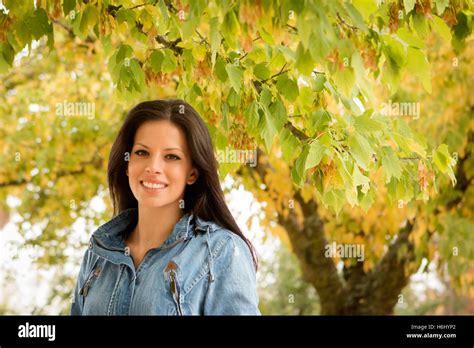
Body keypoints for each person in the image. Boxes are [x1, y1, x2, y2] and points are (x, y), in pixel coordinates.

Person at [70, 99, 260, 315]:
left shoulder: (221, 251)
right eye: (142, 153)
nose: (153, 167)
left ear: (192, 173)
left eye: (172, 156)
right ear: (127, 164)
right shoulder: (98, 253)